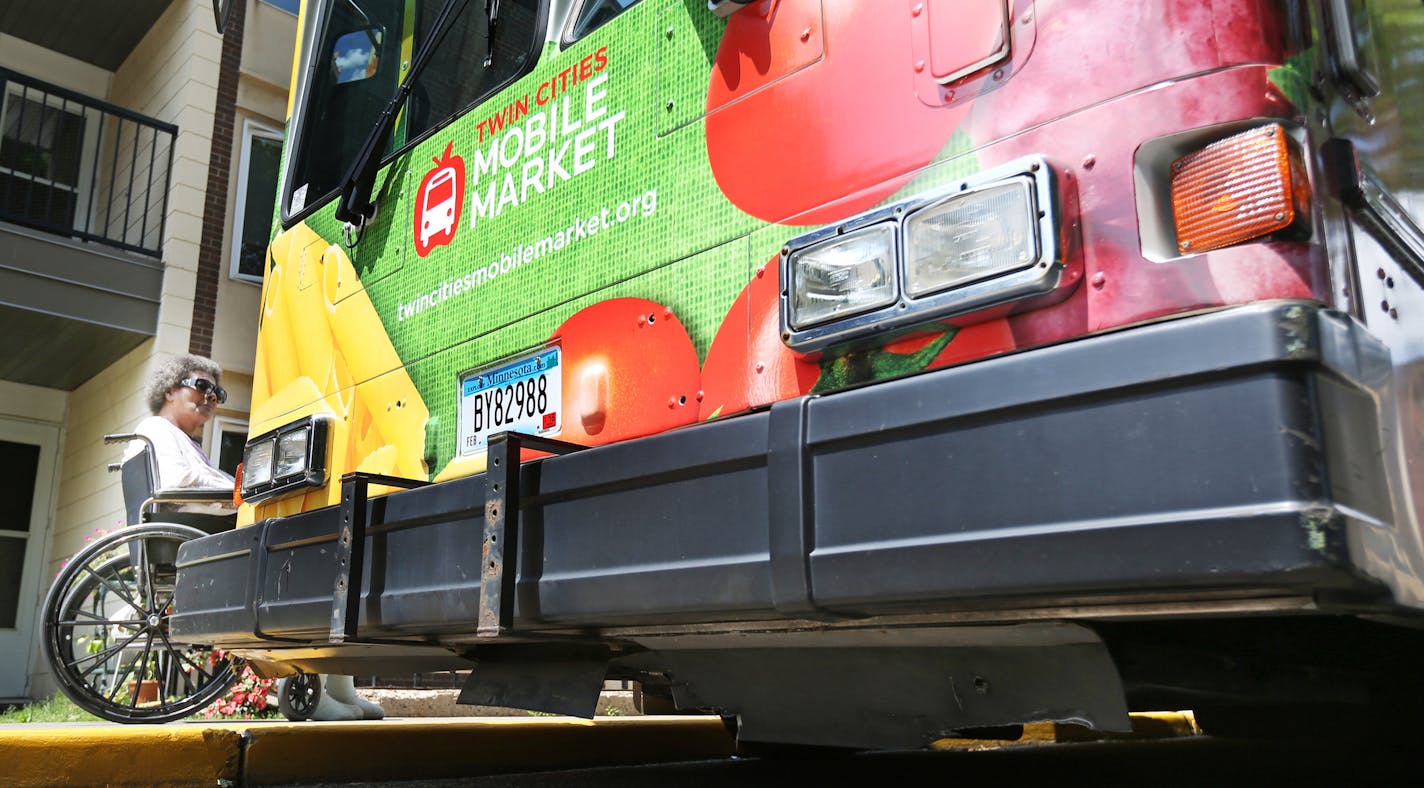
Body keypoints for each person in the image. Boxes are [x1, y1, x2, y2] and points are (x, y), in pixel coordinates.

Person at [129, 354, 383, 721]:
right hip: (198, 540)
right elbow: (179, 486)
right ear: (169, 390)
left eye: (217, 392)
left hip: (198, 534)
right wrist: (245, 488)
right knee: (314, 564)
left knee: (324, 558)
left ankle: (340, 687)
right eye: (201, 387)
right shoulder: (156, 429)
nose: (210, 397)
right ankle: (323, 690)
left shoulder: (179, 439)